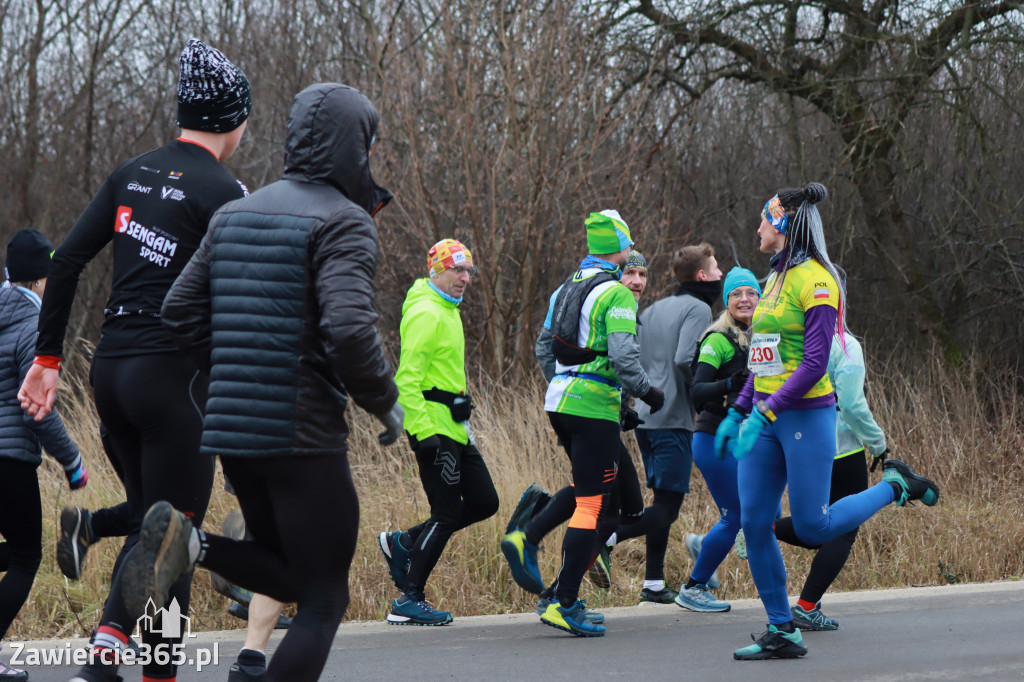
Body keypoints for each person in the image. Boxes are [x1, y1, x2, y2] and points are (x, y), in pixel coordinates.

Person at [124, 82, 404, 682]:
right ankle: (191, 546)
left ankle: (191, 545)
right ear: (355, 147)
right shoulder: (344, 220)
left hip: (234, 431)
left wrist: (230, 371)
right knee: (327, 597)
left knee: (290, 573)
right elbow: (352, 331)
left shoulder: (233, 214)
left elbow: (178, 310)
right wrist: (384, 403)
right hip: (301, 430)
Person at [18, 38, 252, 682]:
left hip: (111, 372)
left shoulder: (134, 171)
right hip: (171, 379)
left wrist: (47, 358)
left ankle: (155, 672)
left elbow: (64, 263)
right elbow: (243, 304)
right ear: (233, 121)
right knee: (171, 531)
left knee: (158, 529)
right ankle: (103, 653)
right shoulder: (226, 191)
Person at [717, 183, 939, 660]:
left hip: (806, 416)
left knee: (815, 527)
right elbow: (765, 360)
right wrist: (739, 410)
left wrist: (767, 410)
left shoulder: (817, 280)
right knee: (756, 523)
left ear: (783, 225)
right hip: (766, 418)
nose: (757, 227)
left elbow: (816, 363)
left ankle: (895, 486)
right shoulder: (774, 277)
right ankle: (783, 629)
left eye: (763, 220)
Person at [503, 210, 663, 637]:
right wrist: (650, 394)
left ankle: (555, 583)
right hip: (593, 405)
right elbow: (626, 361)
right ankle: (561, 597)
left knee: (594, 492)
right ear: (621, 244)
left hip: (561, 401)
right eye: (629, 243)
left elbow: (543, 347)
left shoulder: (565, 288)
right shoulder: (616, 293)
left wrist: (563, 383)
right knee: (593, 503)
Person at [377, 238, 499, 626]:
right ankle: (408, 600)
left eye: (468, 271)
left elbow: (438, 376)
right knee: (445, 515)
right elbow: (406, 379)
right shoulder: (427, 312)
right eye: (457, 270)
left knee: (484, 502)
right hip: (433, 431)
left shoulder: (448, 309)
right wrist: (422, 431)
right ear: (437, 271)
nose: (465, 278)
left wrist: (458, 403)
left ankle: (405, 542)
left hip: (456, 428)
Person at [772, 267, 889, 631]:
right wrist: (879, 445)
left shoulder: (795, 339)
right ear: (842, 296)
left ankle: (762, 527)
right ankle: (806, 604)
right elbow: (853, 405)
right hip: (841, 450)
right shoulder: (845, 345)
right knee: (840, 529)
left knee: (815, 524)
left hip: (798, 445)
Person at [606, 243, 722, 604]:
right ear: (702, 274)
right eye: (716, 268)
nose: (720, 274)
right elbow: (687, 358)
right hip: (673, 416)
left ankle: (653, 583)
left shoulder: (653, 308)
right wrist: (704, 396)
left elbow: (630, 357)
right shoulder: (699, 308)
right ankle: (606, 539)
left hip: (644, 415)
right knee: (668, 506)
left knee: (660, 501)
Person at [0, 230, 87, 682]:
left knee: (12, 549)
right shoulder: (34, 326)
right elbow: (36, 408)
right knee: (25, 557)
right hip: (9, 460)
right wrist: (72, 460)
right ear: (39, 280)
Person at [673, 267, 760, 613]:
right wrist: (729, 384)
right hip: (713, 439)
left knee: (742, 513)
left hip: (736, 440)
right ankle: (693, 587)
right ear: (726, 301)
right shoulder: (717, 340)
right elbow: (696, 391)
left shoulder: (755, 338)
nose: (744, 299)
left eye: (750, 293)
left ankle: (701, 545)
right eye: (736, 294)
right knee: (737, 515)